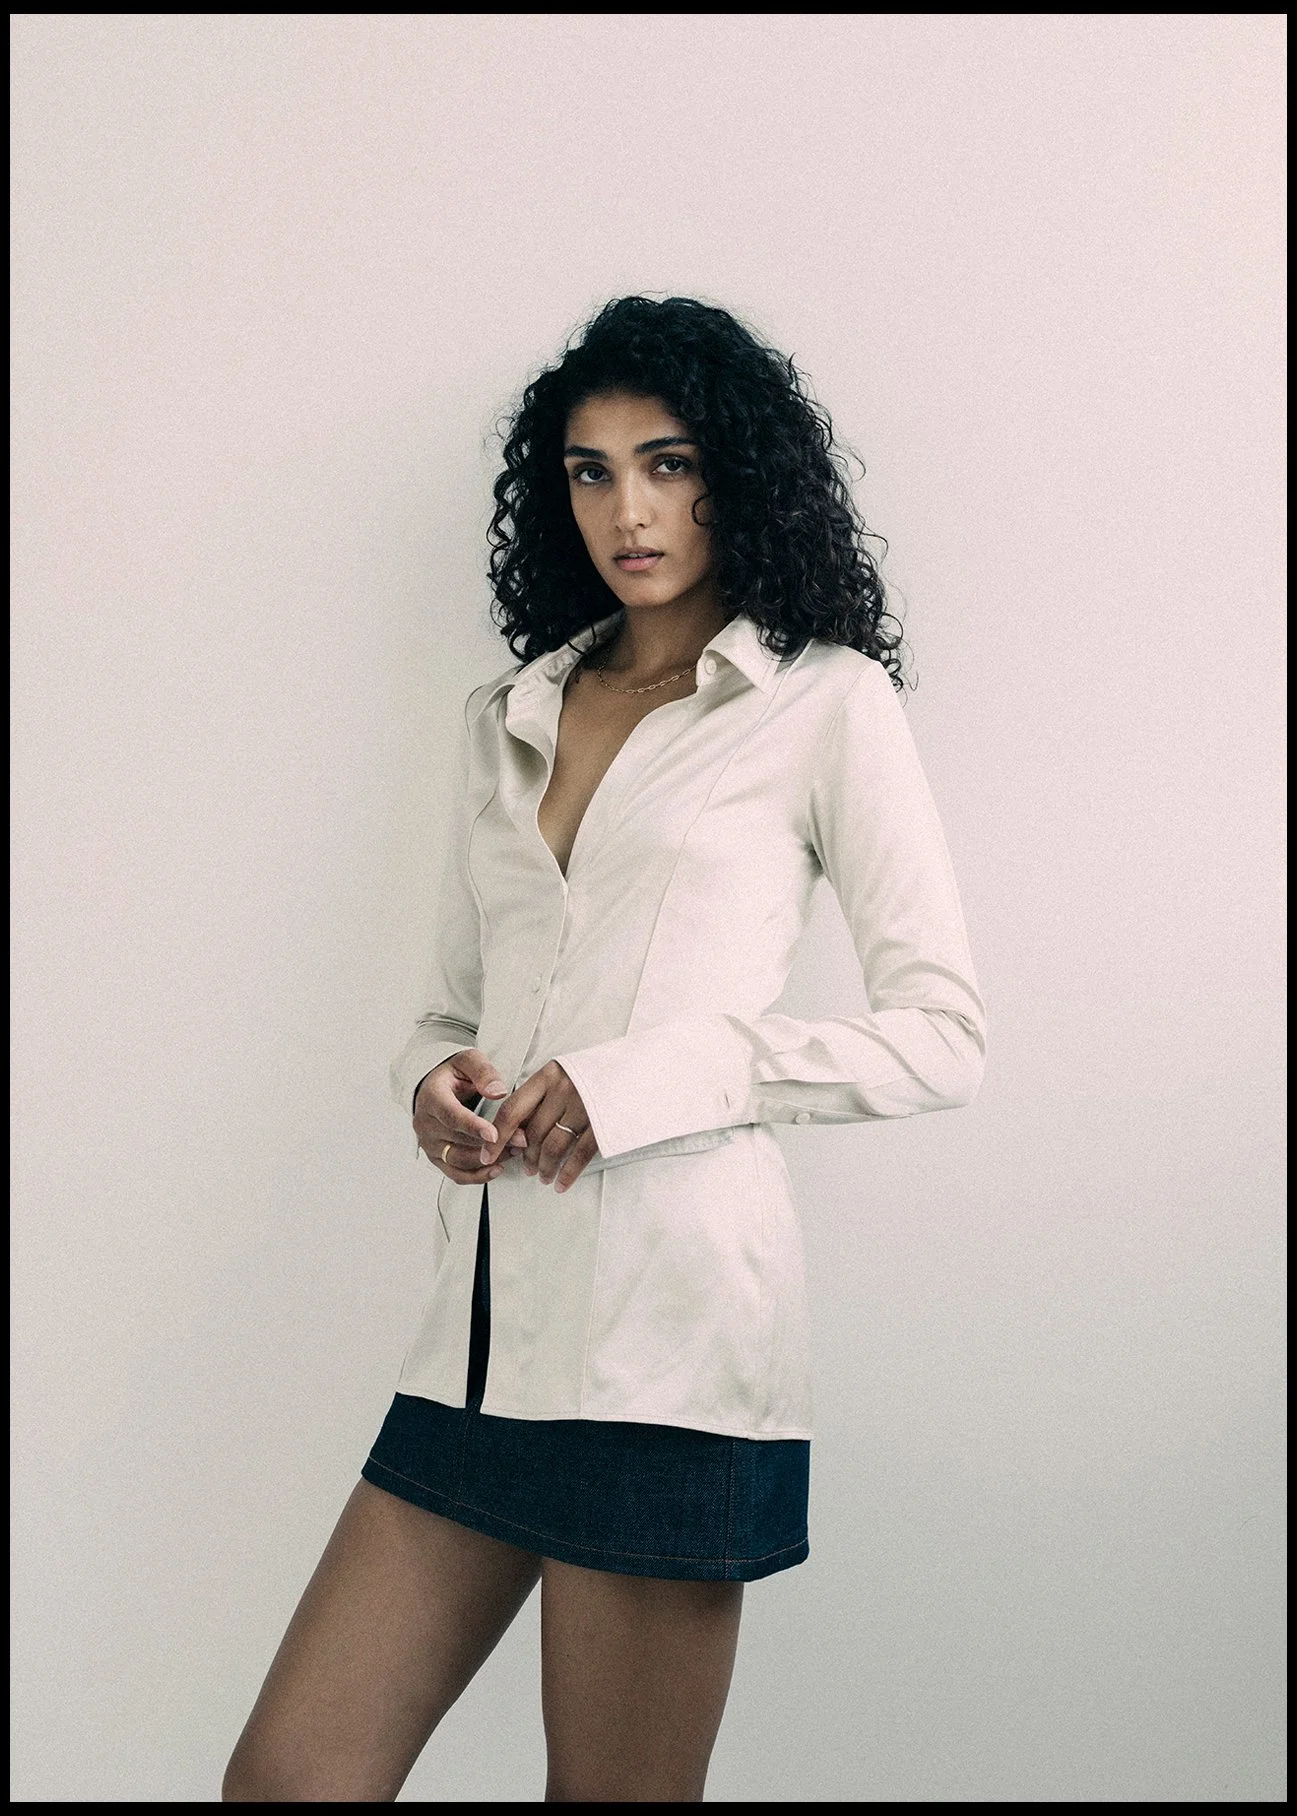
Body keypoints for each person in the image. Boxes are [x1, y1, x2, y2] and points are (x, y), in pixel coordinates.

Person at [222, 295, 986, 1803]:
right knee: (290, 1779)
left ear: (734, 475)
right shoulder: (507, 713)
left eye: (667, 463)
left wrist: (658, 1078)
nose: (628, 511)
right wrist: (431, 1084)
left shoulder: (824, 704)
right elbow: (452, 1007)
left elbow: (943, 1037)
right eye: (590, 472)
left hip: (671, 1353)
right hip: (481, 1347)